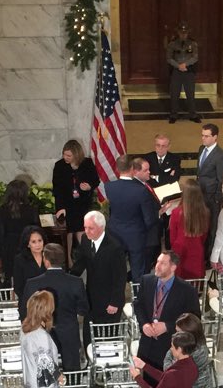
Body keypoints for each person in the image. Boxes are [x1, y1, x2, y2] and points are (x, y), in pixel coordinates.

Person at [19, 244, 89, 372]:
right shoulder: (76, 282)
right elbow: (83, 309)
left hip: (41, 336)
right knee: (73, 373)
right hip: (69, 334)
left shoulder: (32, 284)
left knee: (44, 373)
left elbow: (24, 312)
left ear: (46, 260)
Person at [134, 252, 201, 372]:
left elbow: (194, 319)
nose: (157, 266)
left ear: (173, 267)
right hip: (147, 344)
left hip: (170, 348)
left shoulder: (187, 290)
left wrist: (167, 326)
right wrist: (144, 324)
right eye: (157, 262)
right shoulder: (146, 281)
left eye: (163, 263)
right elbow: (139, 305)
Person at [70, 210, 128, 347]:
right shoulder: (85, 239)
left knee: (107, 338)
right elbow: (80, 263)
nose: (86, 231)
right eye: (85, 227)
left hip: (110, 301)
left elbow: (120, 277)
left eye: (91, 228)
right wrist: (67, 279)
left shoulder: (115, 247)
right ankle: (90, 357)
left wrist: (114, 302)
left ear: (101, 227)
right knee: (89, 335)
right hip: (91, 298)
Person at [107, 157, 160, 282]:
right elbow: (149, 219)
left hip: (115, 234)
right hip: (136, 236)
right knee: (138, 272)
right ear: (132, 168)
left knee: (116, 271)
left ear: (117, 169)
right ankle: (138, 293)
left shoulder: (109, 187)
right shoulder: (141, 190)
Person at [52, 140, 100, 249]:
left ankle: (85, 255)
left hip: (82, 203)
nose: (65, 157)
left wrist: (89, 186)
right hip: (66, 204)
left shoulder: (87, 163)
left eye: (69, 155)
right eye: (64, 154)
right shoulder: (59, 166)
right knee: (68, 232)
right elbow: (57, 188)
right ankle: (69, 257)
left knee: (81, 230)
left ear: (76, 155)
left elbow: (95, 180)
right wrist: (60, 207)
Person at [0, 180, 41, 288]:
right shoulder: (31, 210)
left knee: (11, 276)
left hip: (9, 247)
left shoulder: (3, 210)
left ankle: (13, 296)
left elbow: (1, 233)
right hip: (27, 246)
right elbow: (37, 230)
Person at [196, 124, 223, 259]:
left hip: (212, 198)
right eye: (202, 135)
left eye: (207, 136)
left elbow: (221, 180)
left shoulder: (220, 156)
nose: (203, 138)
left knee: (211, 228)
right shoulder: (201, 149)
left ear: (215, 137)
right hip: (200, 195)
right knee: (202, 226)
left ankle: (209, 257)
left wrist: (217, 199)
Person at [145, 134, 182, 250]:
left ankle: (169, 250)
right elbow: (146, 178)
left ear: (168, 146)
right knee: (154, 227)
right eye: (158, 145)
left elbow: (175, 178)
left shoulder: (175, 159)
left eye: (163, 146)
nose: (160, 148)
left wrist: (155, 177)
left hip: (168, 198)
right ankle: (155, 252)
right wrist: (166, 177)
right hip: (152, 197)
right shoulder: (147, 158)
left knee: (168, 226)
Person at [20, 290, 63, 388]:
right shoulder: (41, 336)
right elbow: (46, 366)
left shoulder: (24, 329)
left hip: (30, 380)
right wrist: (61, 377)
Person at [168, 179, 209, 279]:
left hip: (179, 250)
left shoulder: (176, 212)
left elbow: (172, 238)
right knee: (196, 281)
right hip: (197, 249)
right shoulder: (205, 212)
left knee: (180, 281)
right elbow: (205, 235)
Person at [130, 332, 199, 388]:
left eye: (172, 346)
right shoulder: (193, 366)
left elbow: (169, 377)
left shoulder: (173, 374)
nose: (171, 349)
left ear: (179, 349)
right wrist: (143, 365)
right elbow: (167, 379)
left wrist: (137, 377)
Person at [162, 313, 212, 388]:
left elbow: (170, 371)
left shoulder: (198, 353)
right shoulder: (185, 344)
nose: (176, 335)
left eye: (178, 332)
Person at [167, 22, 201, 124]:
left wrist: (185, 65)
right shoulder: (172, 44)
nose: (183, 35)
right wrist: (178, 66)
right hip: (176, 71)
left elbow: (195, 57)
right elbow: (169, 58)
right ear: (178, 33)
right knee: (174, 94)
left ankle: (193, 115)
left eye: (185, 33)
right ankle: (173, 115)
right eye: (181, 33)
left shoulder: (193, 44)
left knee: (190, 94)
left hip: (188, 71)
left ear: (188, 33)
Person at [13, 227, 47, 300]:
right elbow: (18, 287)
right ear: (28, 244)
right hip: (28, 301)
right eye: (33, 242)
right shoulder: (20, 260)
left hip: (48, 300)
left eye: (40, 240)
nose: (38, 244)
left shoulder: (49, 256)